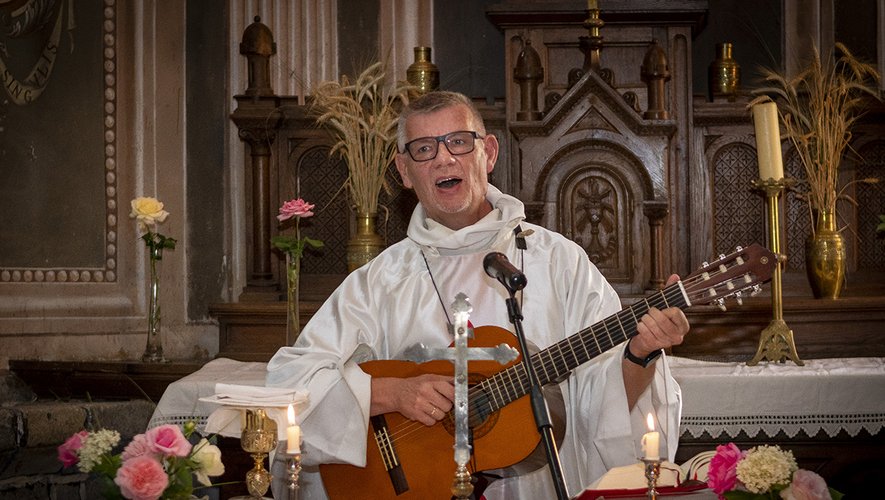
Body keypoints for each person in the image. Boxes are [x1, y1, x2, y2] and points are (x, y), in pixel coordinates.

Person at [266, 90, 689, 499]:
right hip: (416, 486)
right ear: (404, 171)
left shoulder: (558, 262)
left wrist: (640, 353)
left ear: (488, 152)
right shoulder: (381, 280)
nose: (444, 158)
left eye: (458, 142)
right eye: (424, 149)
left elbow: (602, 403)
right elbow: (290, 384)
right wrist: (392, 394)